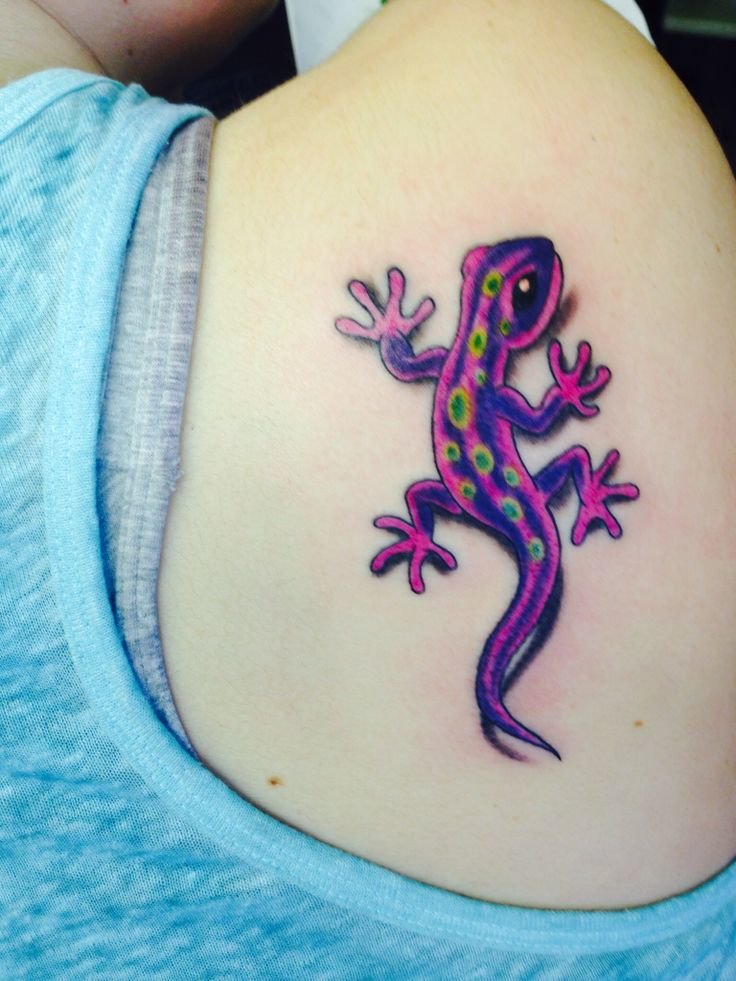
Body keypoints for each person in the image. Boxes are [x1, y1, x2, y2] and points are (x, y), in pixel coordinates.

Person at [2, 0, 735, 976]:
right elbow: (529, 423)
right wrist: (562, 411)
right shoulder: (537, 107)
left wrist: (406, 345)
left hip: (479, 496)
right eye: (514, 290)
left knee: (485, 524)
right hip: (502, 492)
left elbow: (415, 366)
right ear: (503, 314)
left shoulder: (460, 366)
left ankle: (465, 598)